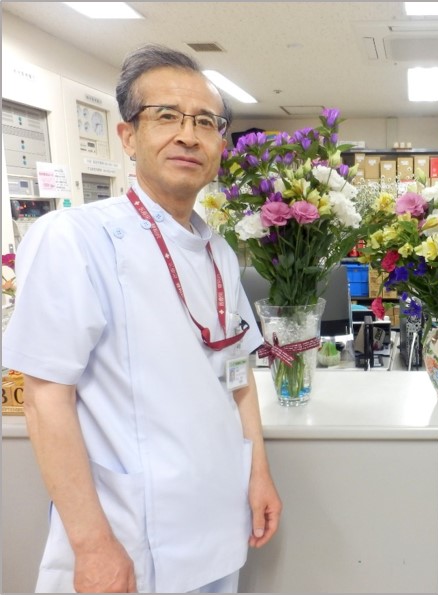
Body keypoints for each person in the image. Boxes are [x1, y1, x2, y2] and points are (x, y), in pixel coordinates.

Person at [2, 44, 282, 593]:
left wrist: (258, 472)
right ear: (128, 136)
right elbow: (44, 397)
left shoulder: (218, 251)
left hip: (219, 526)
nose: (188, 134)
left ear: (220, 143)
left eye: (206, 122)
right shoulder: (76, 239)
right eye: (166, 117)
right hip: (128, 539)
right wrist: (92, 545)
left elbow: (238, 375)